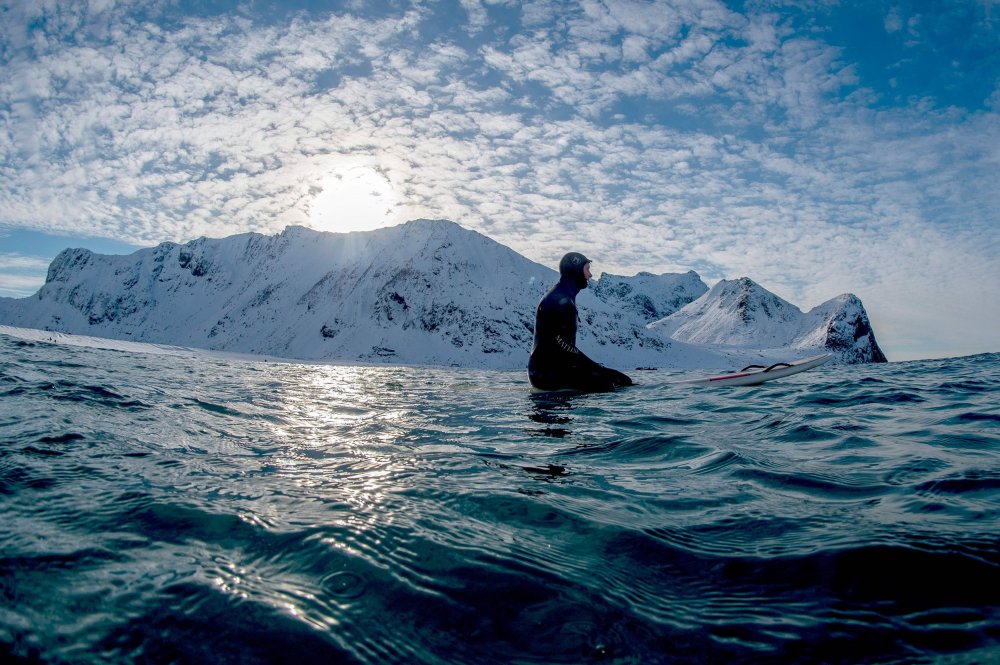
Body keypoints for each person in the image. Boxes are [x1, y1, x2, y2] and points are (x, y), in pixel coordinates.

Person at [528, 252, 634, 392]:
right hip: (548, 373)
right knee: (607, 384)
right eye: (587, 269)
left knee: (620, 380)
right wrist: (599, 369)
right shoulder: (562, 302)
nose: (590, 275)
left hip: (548, 369)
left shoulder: (562, 296)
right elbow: (563, 346)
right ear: (575, 271)